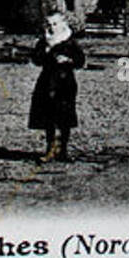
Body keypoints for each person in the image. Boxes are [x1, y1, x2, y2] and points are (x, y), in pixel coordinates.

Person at [28, 10, 85, 162]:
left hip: (65, 82)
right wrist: (46, 50)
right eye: (49, 24)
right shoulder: (44, 41)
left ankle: (63, 151)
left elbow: (80, 60)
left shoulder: (69, 41)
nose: (52, 27)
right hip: (47, 82)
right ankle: (50, 149)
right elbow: (36, 60)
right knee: (49, 117)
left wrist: (68, 60)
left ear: (63, 24)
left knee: (64, 117)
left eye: (55, 24)